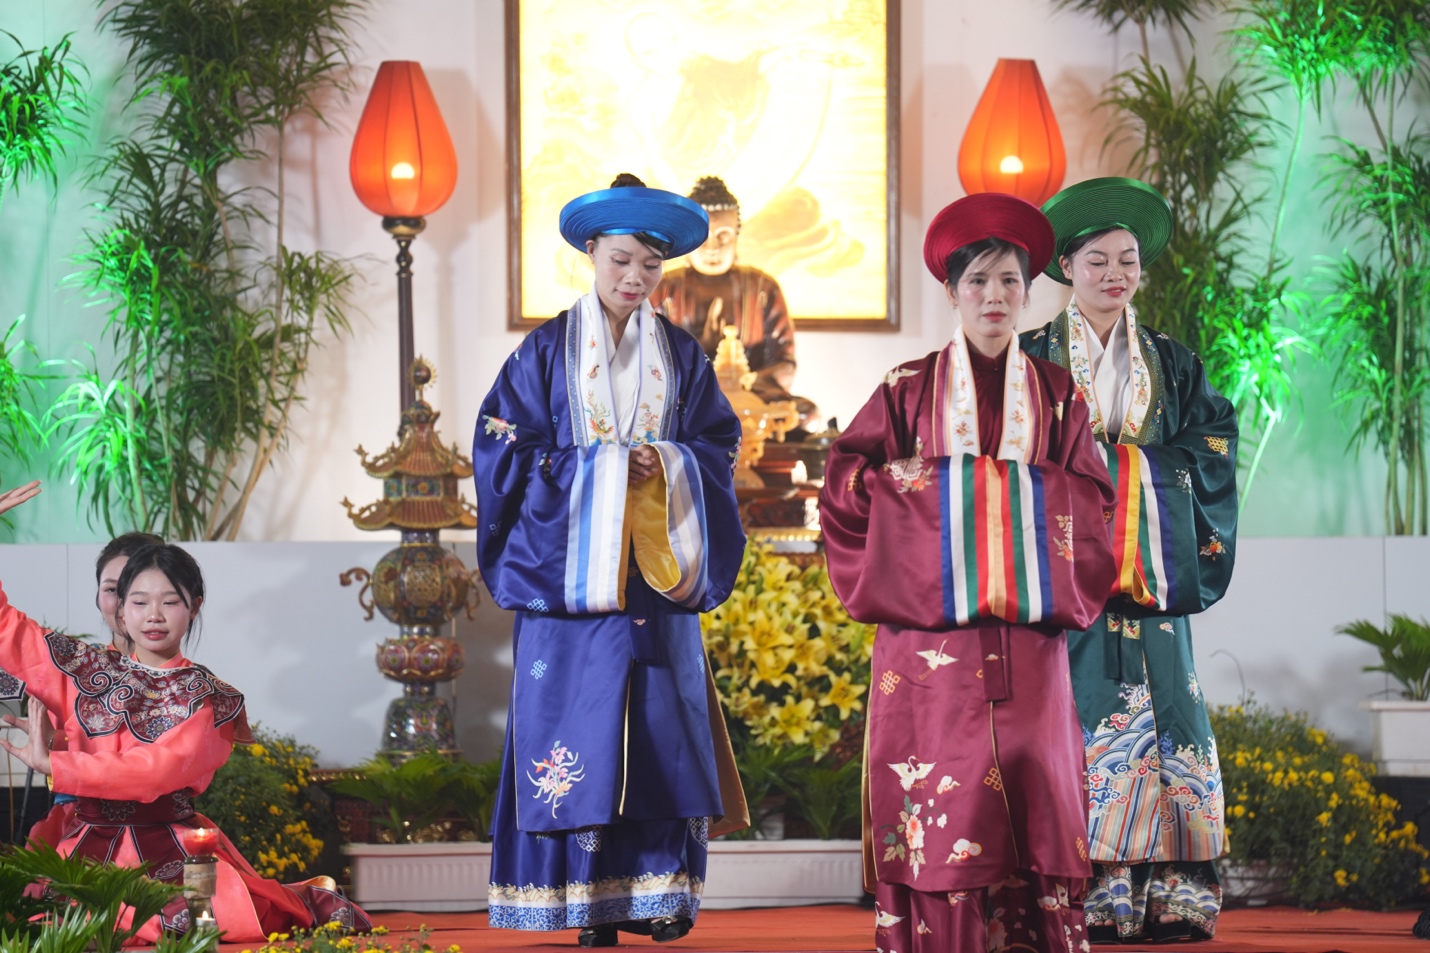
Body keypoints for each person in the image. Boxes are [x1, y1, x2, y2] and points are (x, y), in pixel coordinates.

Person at [819, 194, 1118, 953]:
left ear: (1028, 292)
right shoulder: (905, 388)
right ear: (952, 292)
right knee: (940, 805)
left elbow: (1096, 502)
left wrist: (962, 493)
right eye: (978, 281)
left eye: (1010, 281)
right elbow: (845, 490)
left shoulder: (1058, 394)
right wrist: (971, 496)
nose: (994, 296)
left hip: (1028, 646)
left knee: (1037, 791)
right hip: (929, 654)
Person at [472, 174, 749, 947]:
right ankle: (583, 902)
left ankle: (659, 895)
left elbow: (719, 444)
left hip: (654, 577)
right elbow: (500, 448)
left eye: (650, 266)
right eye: (621, 260)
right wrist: (601, 472)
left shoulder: (682, 356)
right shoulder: (542, 352)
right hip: (571, 583)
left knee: (661, 732)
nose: (634, 278)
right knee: (579, 732)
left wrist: (669, 465)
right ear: (591, 252)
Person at [0, 481, 369, 941]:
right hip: (85, 845)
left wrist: (56, 764)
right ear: (121, 611)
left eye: (170, 601)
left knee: (200, 922)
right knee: (46, 923)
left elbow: (153, 772)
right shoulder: (82, 668)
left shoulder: (206, 696)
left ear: (194, 607)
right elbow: (8, 630)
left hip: (168, 847)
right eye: (139, 602)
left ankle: (303, 900)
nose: (153, 615)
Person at [1020, 177, 1238, 943]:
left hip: (1154, 577)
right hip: (1069, 584)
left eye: (1128, 260)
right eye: (1098, 261)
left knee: (1173, 714)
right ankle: (1094, 894)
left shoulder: (1173, 364)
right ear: (1067, 268)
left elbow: (1212, 445)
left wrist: (1128, 474)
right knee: (1079, 719)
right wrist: (1089, 484)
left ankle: (1176, 892)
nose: (1115, 274)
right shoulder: (1030, 360)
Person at [23, 531, 163, 848]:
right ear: (98, 596)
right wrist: (53, 743)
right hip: (78, 828)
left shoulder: (186, 681)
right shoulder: (73, 671)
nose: (124, 603)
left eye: (136, 588)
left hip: (159, 834)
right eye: (112, 589)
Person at [655, 176, 817, 428]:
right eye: (703, 237)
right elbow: (650, 358)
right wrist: (700, 383)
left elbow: (784, 363)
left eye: (723, 236)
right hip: (686, 396)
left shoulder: (762, 287)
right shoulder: (664, 287)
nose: (712, 247)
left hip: (748, 397)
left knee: (806, 415)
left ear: (736, 236)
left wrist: (743, 381)